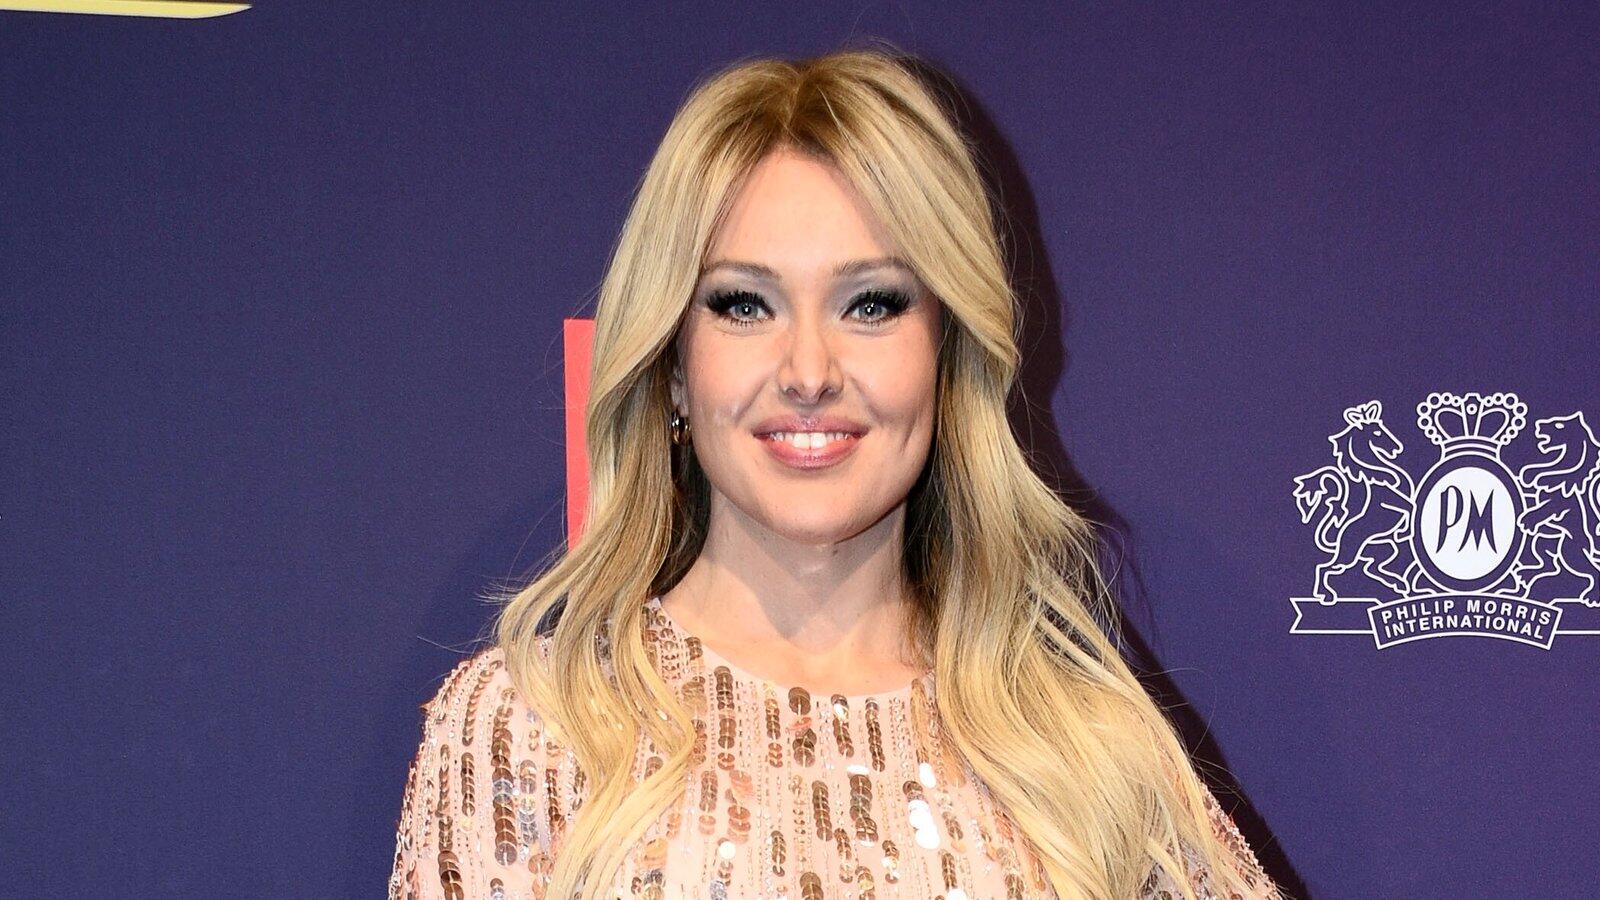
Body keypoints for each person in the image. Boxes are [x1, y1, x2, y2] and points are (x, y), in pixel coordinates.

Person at [389, 46, 1283, 900]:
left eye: (872, 304)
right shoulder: (529, 729)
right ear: (673, 367)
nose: (809, 372)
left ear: (945, 356)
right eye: (746, 304)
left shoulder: (1085, 751)